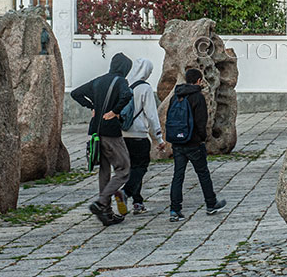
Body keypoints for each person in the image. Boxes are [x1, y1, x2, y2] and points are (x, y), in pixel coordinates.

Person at [70, 52, 133, 226]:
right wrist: (114, 112)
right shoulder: (121, 81)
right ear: (125, 68)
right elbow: (127, 95)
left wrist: (92, 106)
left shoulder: (98, 80)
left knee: (104, 171)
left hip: (96, 132)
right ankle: (101, 202)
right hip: (110, 132)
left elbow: (75, 93)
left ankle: (106, 213)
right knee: (124, 169)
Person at [169, 68, 227, 221]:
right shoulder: (197, 97)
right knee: (203, 173)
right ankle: (211, 203)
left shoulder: (176, 96)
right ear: (199, 81)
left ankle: (175, 210)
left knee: (178, 175)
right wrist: (203, 138)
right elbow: (202, 122)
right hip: (193, 142)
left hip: (177, 142)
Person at [120, 58, 165, 215]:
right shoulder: (145, 88)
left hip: (122, 135)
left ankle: (138, 202)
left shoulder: (123, 84)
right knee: (141, 167)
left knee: (132, 169)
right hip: (139, 135)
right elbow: (152, 115)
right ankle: (125, 192)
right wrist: (159, 138)